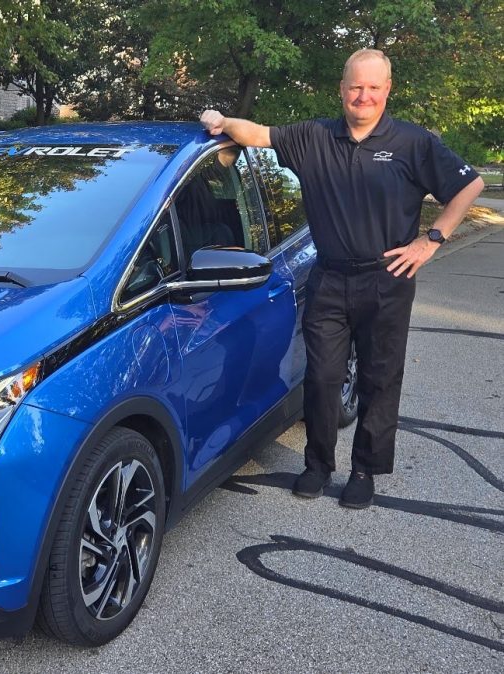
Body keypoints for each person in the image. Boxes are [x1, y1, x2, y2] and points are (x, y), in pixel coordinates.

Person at [199, 49, 484, 509]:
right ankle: (318, 465)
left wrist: (430, 240)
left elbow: (470, 186)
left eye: (373, 87)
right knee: (324, 378)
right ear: (342, 89)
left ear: (387, 90)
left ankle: (365, 470)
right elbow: (255, 134)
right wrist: (220, 118)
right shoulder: (314, 136)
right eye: (356, 87)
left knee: (379, 378)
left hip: (387, 280)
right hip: (329, 278)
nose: (363, 96)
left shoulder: (412, 142)